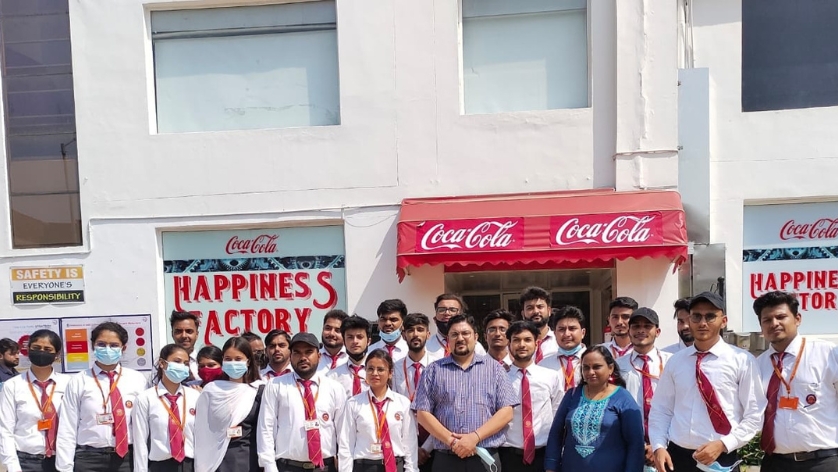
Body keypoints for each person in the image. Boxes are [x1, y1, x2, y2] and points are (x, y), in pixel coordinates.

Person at [649, 292, 764, 472]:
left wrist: (724, 444)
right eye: (696, 316)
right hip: (678, 456)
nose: (702, 323)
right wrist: (659, 446)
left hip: (720, 456)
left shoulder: (742, 360)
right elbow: (661, 409)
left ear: (723, 321)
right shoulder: (675, 361)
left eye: (710, 316)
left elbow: (755, 415)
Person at [412, 314, 516, 472]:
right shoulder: (433, 370)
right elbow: (423, 413)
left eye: (465, 333)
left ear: (476, 337)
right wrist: (452, 441)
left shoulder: (495, 369)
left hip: (484, 457)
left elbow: (506, 412)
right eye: (454, 334)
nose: (460, 338)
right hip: (446, 458)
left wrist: (475, 437)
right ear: (448, 339)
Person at [753, 291, 838, 472]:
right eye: (767, 320)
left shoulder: (828, 354)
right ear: (761, 326)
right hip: (775, 463)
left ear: (797, 319)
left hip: (823, 462)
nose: (774, 323)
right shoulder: (757, 365)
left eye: (781, 317)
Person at [56, 322, 149, 472]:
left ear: (123, 348)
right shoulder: (79, 381)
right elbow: (67, 427)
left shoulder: (137, 380)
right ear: (93, 346)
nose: (107, 349)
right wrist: (64, 467)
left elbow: (144, 426)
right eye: (101, 344)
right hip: (89, 459)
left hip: (126, 459)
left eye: (114, 345)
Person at [257, 332, 347, 472]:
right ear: (290, 356)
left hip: (325, 467)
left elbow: (344, 433)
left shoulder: (334, 388)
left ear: (319, 356)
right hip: (288, 467)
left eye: (308, 352)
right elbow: (266, 429)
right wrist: (269, 467)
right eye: (297, 353)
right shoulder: (275, 386)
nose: (303, 357)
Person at [544, 346, 644, 472]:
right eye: (586, 367)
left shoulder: (623, 398)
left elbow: (635, 443)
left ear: (610, 368)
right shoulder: (572, 395)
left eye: (597, 367)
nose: (590, 372)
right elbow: (556, 434)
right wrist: (551, 467)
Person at [338, 349, 418, 472]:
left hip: (394, 465)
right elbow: (346, 444)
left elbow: (410, 443)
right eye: (370, 369)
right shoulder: (353, 403)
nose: (375, 373)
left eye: (380, 369)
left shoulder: (402, 403)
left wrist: (411, 469)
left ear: (390, 373)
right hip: (364, 467)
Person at [0, 330, 68, 472]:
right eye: (36, 348)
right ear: (28, 349)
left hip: (63, 460)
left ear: (57, 354)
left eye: (47, 349)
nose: (41, 352)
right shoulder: (12, 385)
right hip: (27, 462)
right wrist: (12, 466)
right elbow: (5, 430)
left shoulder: (69, 384)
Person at [193, 336, 264, 472]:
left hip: (248, 460)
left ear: (248, 361)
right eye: (228, 359)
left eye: (238, 359)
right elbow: (202, 431)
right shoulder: (211, 391)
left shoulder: (258, 390)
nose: (233, 363)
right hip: (216, 461)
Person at [501, 321, 562, 472]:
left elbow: (557, 416)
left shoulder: (551, 376)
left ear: (536, 343)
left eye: (527, 340)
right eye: (516, 340)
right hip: (508, 456)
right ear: (509, 344)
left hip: (543, 454)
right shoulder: (500, 378)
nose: (522, 344)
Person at [616, 308, 672, 468]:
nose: (641, 330)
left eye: (647, 326)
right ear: (629, 331)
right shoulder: (617, 365)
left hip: (668, 446)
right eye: (636, 326)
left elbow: (679, 406)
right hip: (629, 445)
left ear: (657, 331)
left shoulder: (672, 362)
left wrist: (659, 445)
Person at [132, 344, 200, 472]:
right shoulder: (146, 398)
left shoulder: (195, 396)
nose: (182, 366)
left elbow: (201, 438)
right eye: (177, 361)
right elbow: (140, 441)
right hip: (160, 466)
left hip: (190, 465)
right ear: (162, 363)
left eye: (185, 363)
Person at [392, 314, 433, 472]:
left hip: (435, 443)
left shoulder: (439, 366)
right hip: (405, 444)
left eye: (420, 329)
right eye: (410, 330)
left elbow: (443, 411)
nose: (415, 334)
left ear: (428, 334)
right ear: (403, 335)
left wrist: (426, 448)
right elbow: (393, 409)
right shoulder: (394, 369)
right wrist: (412, 448)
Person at [538, 307, 587, 391]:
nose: (567, 334)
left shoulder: (595, 361)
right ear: (555, 334)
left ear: (583, 333)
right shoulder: (543, 365)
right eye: (561, 329)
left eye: (572, 329)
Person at [425, 295, 486, 362]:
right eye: (442, 310)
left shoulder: (476, 347)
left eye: (452, 310)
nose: (447, 313)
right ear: (435, 318)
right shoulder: (426, 347)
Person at [329, 316, 372, 397]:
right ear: (344, 342)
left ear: (368, 341)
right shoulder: (333, 376)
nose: (355, 341)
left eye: (359, 337)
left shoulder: (378, 373)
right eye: (350, 337)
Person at [519, 288, 558, 363]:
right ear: (523, 314)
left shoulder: (559, 341)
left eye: (540, 307)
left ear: (549, 311)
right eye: (530, 308)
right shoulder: (518, 344)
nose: (536, 311)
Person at [170, 311, 201, 379]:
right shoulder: (163, 363)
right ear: (172, 334)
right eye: (178, 331)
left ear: (196, 334)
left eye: (189, 331)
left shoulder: (205, 362)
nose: (184, 336)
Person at [318, 310, 349, 375]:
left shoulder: (351, 358)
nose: (331, 333)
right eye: (328, 328)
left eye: (337, 330)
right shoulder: (313, 358)